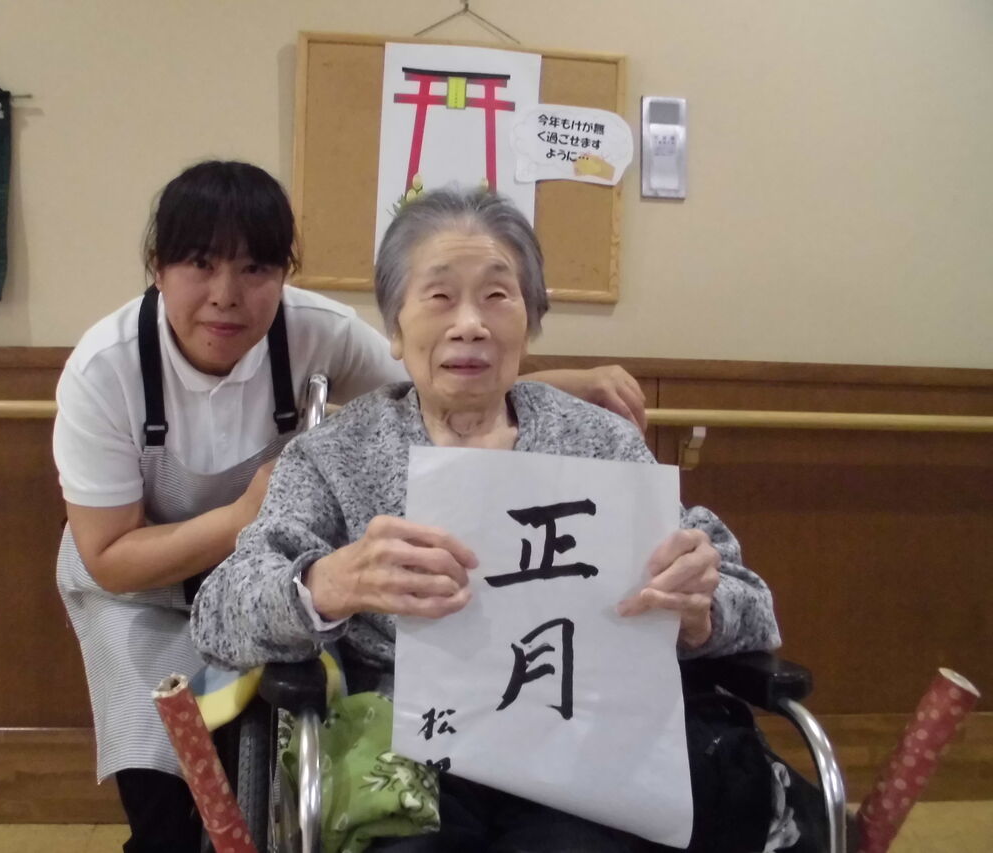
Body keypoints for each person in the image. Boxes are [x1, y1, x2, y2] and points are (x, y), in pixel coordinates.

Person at [53, 162, 649, 853]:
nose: (226, 295)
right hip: (140, 582)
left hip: (279, 574)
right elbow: (110, 556)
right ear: (158, 268)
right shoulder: (106, 369)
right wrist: (267, 533)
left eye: (255, 269)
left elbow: (439, 372)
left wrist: (568, 386)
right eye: (200, 264)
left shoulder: (318, 331)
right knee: (163, 800)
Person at [190, 188, 787, 852]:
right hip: (410, 751)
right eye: (440, 296)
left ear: (529, 321)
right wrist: (327, 584)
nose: (470, 324)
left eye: (498, 295)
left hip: (581, 751)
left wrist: (701, 610)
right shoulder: (335, 454)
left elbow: (752, 604)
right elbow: (218, 616)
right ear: (395, 328)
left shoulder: (598, 443)